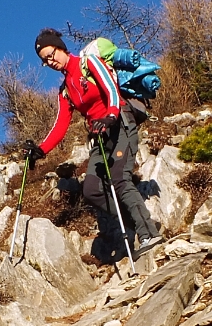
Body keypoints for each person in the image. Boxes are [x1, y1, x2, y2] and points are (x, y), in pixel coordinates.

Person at [24, 28, 163, 258]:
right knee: (91, 190)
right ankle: (130, 224)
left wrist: (110, 115)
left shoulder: (88, 63)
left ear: (60, 47)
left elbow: (111, 88)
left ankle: (149, 232)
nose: (50, 61)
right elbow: (60, 125)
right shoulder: (65, 90)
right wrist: (40, 151)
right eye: (45, 60)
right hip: (99, 136)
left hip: (119, 122)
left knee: (119, 179)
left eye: (51, 54)